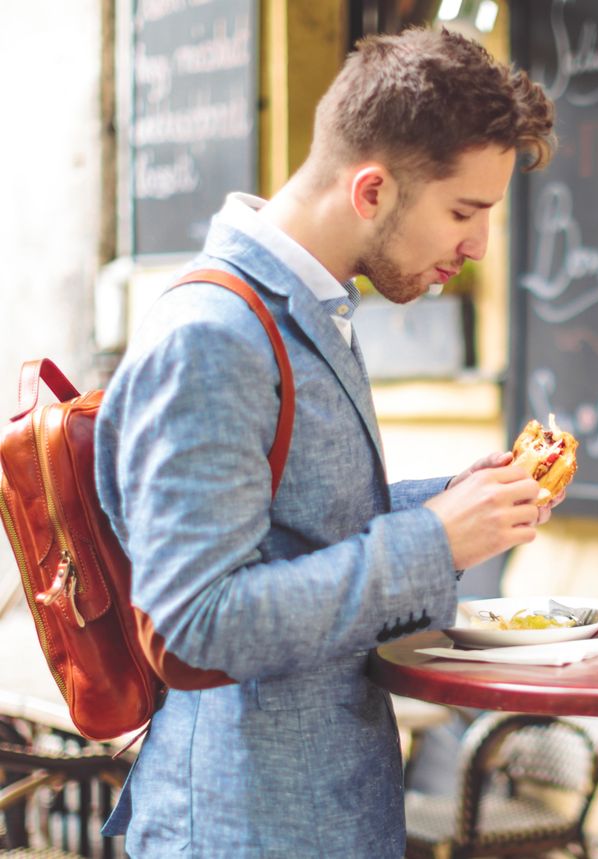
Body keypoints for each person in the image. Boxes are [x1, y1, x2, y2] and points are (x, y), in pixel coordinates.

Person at [94, 28, 556, 857]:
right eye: (464, 211)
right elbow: (197, 622)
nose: (480, 245)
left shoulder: (308, 306)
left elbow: (294, 524)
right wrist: (434, 536)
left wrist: (455, 501)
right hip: (246, 826)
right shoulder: (214, 334)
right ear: (372, 190)